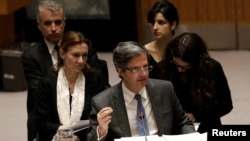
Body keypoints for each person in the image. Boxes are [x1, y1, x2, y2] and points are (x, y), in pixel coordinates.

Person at [21, 0, 109, 141]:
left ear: (64, 22)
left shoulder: (83, 46)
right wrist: (64, 132)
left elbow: (97, 81)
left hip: (82, 112)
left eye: (58, 22)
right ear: (38, 25)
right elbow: (40, 92)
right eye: (48, 23)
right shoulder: (31, 56)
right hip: (48, 114)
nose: (54, 28)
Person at [86, 41, 196, 141]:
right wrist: (101, 132)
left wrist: (193, 137)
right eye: (135, 69)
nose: (143, 74)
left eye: (146, 67)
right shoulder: (102, 102)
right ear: (120, 71)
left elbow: (183, 123)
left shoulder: (165, 89)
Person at [35, 31, 109, 141]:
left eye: (84, 55)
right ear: (62, 54)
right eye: (75, 55)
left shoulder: (95, 80)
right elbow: (42, 123)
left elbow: (97, 119)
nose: (81, 61)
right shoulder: (47, 83)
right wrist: (65, 133)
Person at [160, 32, 233, 133]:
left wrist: (196, 116)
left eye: (185, 67)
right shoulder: (164, 68)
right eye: (176, 64)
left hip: (205, 124)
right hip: (173, 127)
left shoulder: (212, 68)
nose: (179, 70)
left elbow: (226, 105)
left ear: (197, 62)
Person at [145, 0, 179, 79]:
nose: (155, 27)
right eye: (153, 23)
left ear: (173, 25)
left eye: (161, 23)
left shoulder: (181, 50)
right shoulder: (144, 52)